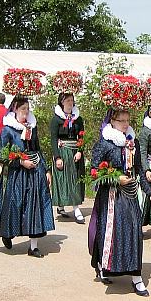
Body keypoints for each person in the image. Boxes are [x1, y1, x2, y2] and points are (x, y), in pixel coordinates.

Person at [88, 108, 151, 296]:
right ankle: (104, 266)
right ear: (112, 120)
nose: (126, 124)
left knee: (134, 231)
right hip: (111, 195)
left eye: (128, 120)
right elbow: (94, 171)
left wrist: (149, 192)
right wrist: (115, 179)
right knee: (111, 231)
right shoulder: (104, 144)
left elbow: (140, 170)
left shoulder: (131, 144)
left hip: (131, 194)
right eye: (122, 120)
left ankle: (137, 277)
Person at [0, 96, 54, 257]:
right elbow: (2, 156)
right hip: (17, 174)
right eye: (22, 108)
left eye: (27, 108)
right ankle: (7, 233)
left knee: (35, 207)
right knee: (15, 206)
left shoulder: (32, 127)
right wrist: (20, 162)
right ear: (15, 110)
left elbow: (38, 150)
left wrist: (46, 170)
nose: (26, 112)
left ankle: (33, 246)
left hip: (35, 172)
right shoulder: (7, 130)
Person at [49, 92, 86, 223]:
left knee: (74, 179)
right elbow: (53, 139)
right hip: (62, 151)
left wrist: (80, 151)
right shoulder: (56, 119)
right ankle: (61, 205)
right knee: (63, 179)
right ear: (62, 102)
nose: (70, 103)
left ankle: (76, 208)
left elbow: (81, 136)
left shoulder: (78, 119)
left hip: (74, 152)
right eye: (67, 100)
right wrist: (57, 157)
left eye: (72, 100)